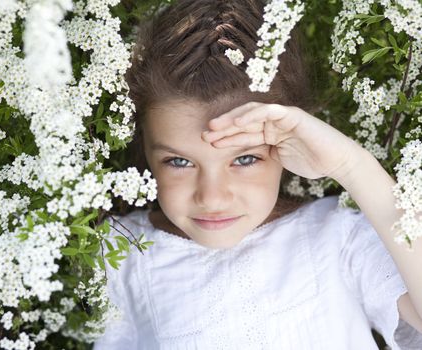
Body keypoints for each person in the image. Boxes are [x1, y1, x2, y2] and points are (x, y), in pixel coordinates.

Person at [94, 0, 422, 348]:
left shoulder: (335, 237)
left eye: (245, 159)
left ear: (289, 141)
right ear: (144, 144)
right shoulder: (121, 253)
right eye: (179, 162)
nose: (213, 197)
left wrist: (350, 165)